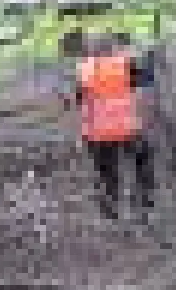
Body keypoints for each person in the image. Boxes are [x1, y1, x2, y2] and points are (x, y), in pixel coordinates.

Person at [63, 31, 157, 219]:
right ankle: (144, 206)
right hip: (128, 128)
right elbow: (148, 79)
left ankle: (110, 210)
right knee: (141, 165)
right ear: (114, 48)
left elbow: (76, 99)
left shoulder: (85, 70)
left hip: (97, 133)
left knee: (107, 172)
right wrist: (149, 56)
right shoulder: (126, 64)